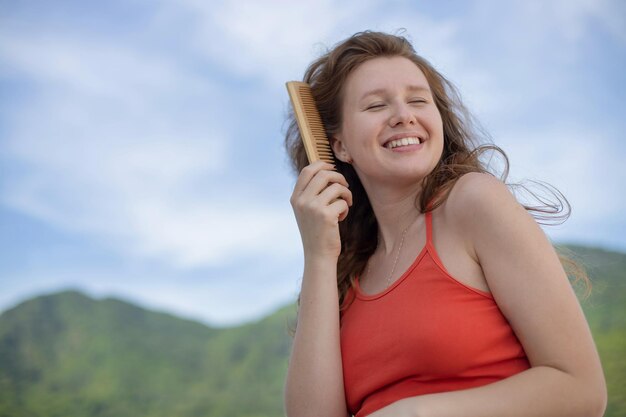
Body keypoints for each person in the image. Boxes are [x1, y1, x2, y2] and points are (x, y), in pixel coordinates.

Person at [283, 31, 606, 417]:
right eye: (375, 106)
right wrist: (319, 255)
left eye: (418, 100)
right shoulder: (343, 270)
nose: (403, 115)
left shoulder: (473, 202)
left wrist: (415, 413)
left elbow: (581, 390)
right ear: (339, 146)